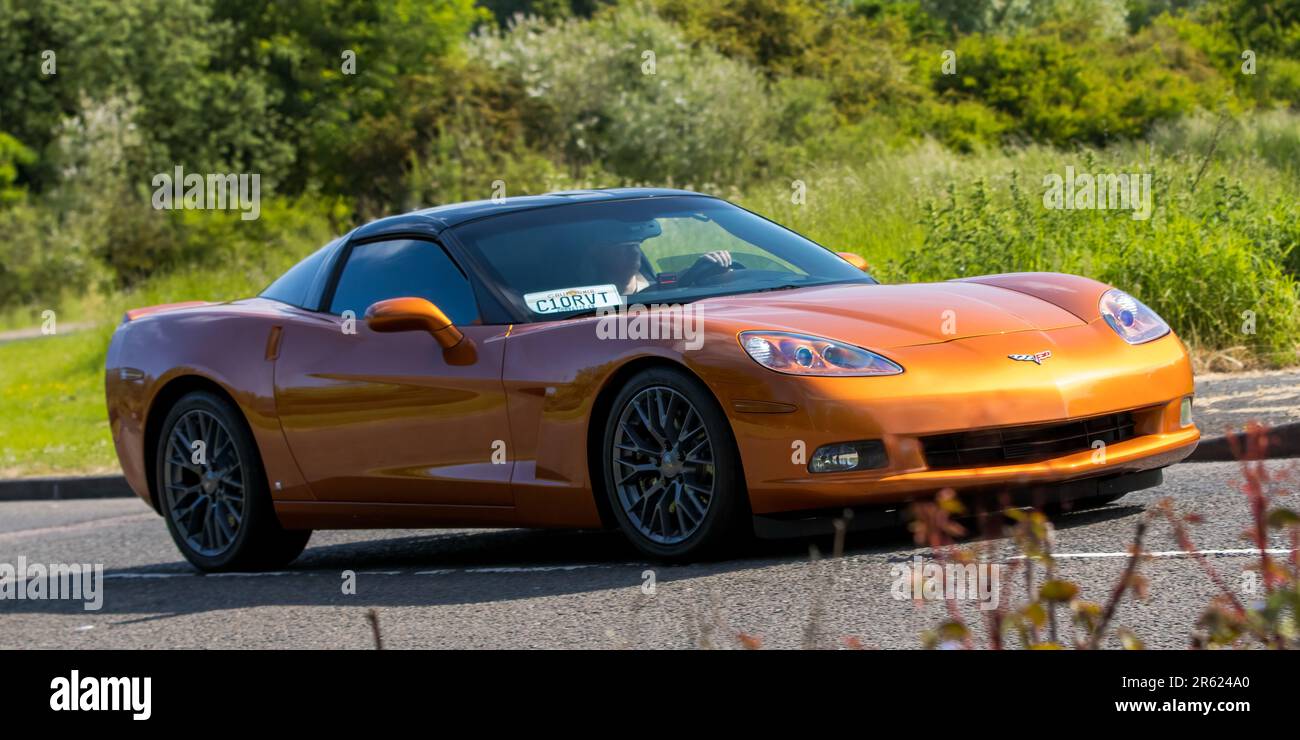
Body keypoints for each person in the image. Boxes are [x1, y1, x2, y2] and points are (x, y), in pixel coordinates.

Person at [592, 240, 734, 296]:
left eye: (635, 245)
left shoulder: (660, 285)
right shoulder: (590, 299)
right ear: (603, 257)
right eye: (623, 247)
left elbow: (684, 277)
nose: (634, 251)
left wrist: (718, 268)